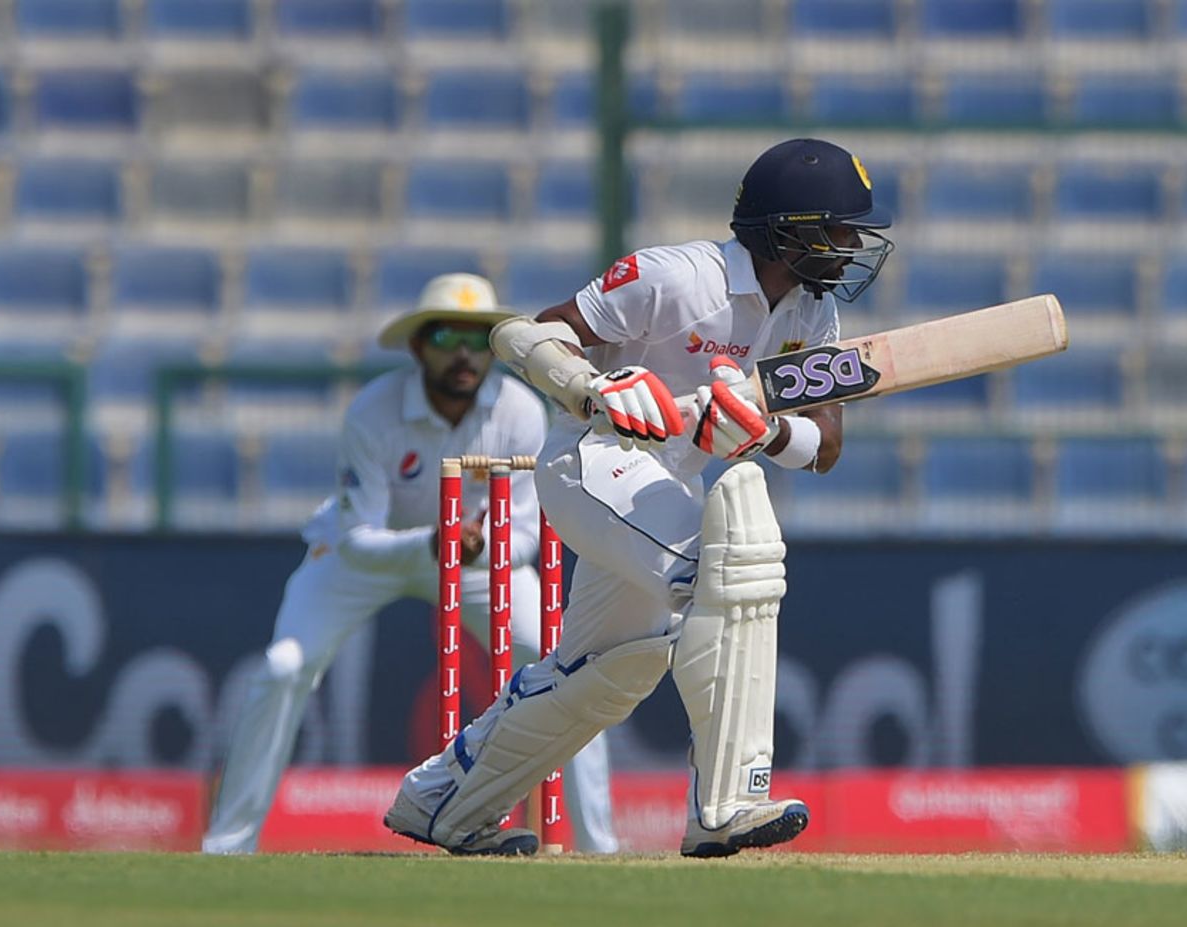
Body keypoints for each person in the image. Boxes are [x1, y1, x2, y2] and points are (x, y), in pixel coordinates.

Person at [384, 138, 893, 857]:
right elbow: (527, 334)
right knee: (729, 566)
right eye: (838, 230)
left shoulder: (810, 315)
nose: (849, 247)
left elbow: (825, 444)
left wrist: (764, 431)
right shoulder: (678, 276)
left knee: (605, 676)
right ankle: (726, 805)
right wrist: (594, 386)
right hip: (592, 461)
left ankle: (441, 801)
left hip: (665, 484)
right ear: (787, 228)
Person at [203, 273, 620, 855]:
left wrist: (479, 549)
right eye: (449, 336)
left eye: (480, 338)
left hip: (475, 560)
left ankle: (599, 847)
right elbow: (355, 539)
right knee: (282, 667)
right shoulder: (374, 412)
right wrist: (433, 542)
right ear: (421, 345)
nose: (466, 353)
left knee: (566, 669)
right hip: (369, 558)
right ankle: (229, 845)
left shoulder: (521, 410)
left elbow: (525, 538)